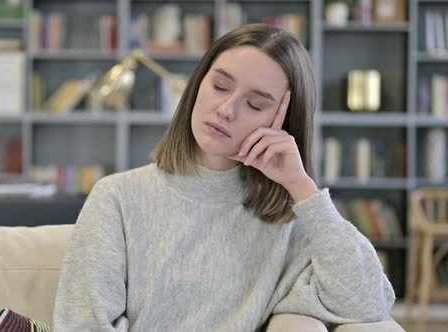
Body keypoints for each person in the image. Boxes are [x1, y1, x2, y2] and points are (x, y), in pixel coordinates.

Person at [53, 23, 395, 331]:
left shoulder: (291, 220)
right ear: (197, 85)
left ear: (282, 122)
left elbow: (368, 303)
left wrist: (301, 186)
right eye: (219, 85)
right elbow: (83, 324)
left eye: (256, 105)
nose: (226, 109)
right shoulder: (117, 197)